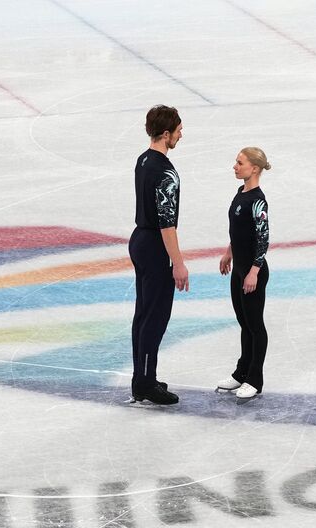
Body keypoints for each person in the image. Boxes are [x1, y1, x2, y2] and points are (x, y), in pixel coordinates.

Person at [129, 105, 190, 405]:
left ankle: (141, 378)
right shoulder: (166, 172)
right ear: (166, 134)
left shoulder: (143, 161)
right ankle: (146, 384)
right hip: (155, 245)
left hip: (139, 239)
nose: (181, 134)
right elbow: (167, 223)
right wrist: (178, 263)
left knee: (142, 314)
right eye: (178, 130)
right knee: (155, 317)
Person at [217, 147, 271, 400]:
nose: (235, 166)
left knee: (255, 325)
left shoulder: (258, 200)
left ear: (255, 168)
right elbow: (238, 232)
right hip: (238, 267)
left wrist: (254, 272)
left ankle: (254, 379)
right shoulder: (241, 193)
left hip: (252, 271)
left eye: (240, 163)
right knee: (244, 323)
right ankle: (241, 372)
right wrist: (229, 253)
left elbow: (263, 239)